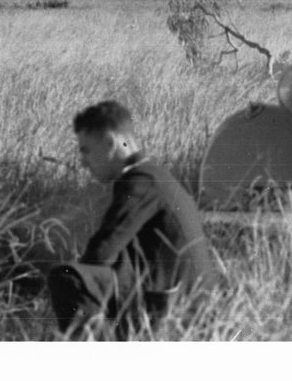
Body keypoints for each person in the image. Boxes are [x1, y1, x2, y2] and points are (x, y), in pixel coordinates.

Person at [47, 100, 217, 338]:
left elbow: (101, 253)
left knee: (68, 279)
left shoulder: (140, 183)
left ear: (110, 142)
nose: (83, 162)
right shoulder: (154, 175)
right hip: (191, 302)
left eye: (85, 150)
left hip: (174, 306)